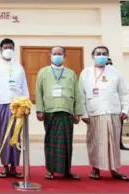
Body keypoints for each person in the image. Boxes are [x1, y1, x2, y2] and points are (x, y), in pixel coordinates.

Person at [79, 46, 129, 182]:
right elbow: (81, 95)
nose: (101, 56)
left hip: (113, 112)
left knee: (113, 142)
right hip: (94, 112)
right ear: (93, 56)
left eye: (104, 54)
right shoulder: (85, 73)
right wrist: (83, 113)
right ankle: (95, 169)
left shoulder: (115, 73)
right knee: (95, 142)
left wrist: (125, 110)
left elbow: (123, 93)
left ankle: (114, 170)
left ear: (108, 56)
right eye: (98, 54)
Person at [35, 46, 82, 180]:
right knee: (50, 142)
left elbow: (77, 93)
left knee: (67, 142)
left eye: (59, 54)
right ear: (50, 55)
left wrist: (78, 112)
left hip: (67, 111)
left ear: (64, 56)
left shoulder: (71, 73)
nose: (57, 55)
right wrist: (39, 109)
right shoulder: (43, 72)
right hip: (50, 112)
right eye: (54, 53)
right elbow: (38, 92)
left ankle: (67, 171)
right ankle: (50, 170)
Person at [0, 38, 29, 178]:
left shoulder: (19, 67)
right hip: (1, 104)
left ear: (14, 49)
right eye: (5, 47)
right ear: (0, 50)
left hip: (18, 106)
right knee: (3, 135)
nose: (8, 50)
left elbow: (24, 87)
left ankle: (14, 167)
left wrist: (26, 105)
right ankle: (5, 166)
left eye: (10, 47)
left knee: (16, 136)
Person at [106, 58, 129, 151]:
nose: (108, 65)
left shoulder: (117, 75)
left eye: (110, 63)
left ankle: (119, 143)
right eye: (107, 63)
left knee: (118, 128)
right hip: (103, 109)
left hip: (117, 108)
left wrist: (125, 109)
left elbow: (123, 93)